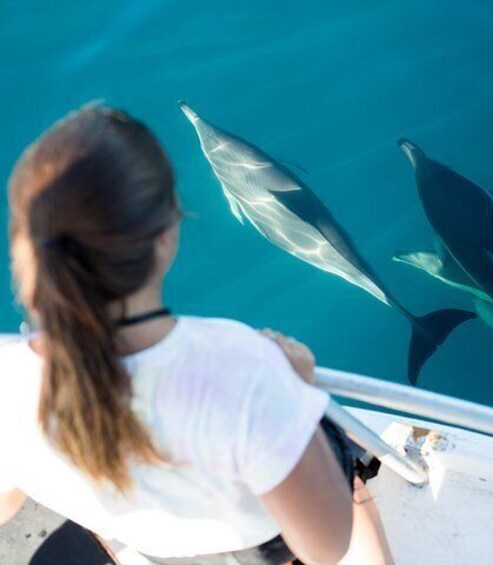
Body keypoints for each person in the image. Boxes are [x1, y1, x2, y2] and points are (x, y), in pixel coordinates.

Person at [0, 105, 394, 564]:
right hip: (259, 542)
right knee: (344, 472)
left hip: (160, 549)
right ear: (168, 235)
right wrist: (299, 392)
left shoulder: (7, 379)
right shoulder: (246, 367)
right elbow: (326, 547)